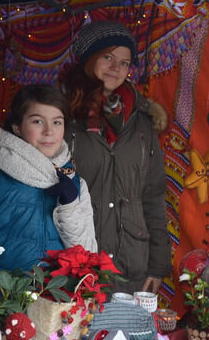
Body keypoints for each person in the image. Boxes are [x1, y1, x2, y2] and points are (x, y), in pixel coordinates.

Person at [61, 20, 171, 295]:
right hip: (74, 261)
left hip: (130, 263)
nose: (116, 68)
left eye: (124, 62)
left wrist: (158, 265)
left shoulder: (142, 123)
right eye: (108, 57)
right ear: (89, 59)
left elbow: (153, 195)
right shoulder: (60, 115)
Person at [0, 84, 97, 275]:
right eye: (37, 121)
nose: (49, 131)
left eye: (57, 122)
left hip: (55, 302)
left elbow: (88, 259)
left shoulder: (75, 183)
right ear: (17, 127)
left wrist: (69, 208)